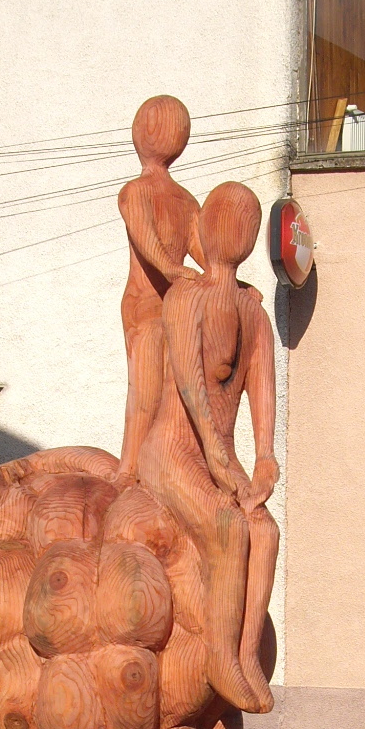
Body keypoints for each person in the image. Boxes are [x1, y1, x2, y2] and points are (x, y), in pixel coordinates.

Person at [140, 180, 278, 714]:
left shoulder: (253, 311)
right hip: (173, 452)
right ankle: (220, 656)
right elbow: (192, 387)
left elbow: (262, 385)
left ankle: (245, 656)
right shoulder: (186, 298)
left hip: (218, 457)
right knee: (228, 526)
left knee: (264, 530)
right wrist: (222, 463)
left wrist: (264, 457)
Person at [116, 95, 201, 481]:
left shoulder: (186, 201)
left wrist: (232, 282)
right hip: (145, 307)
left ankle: (163, 468)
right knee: (145, 391)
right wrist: (171, 268)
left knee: (177, 394)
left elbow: (207, 255)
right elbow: (145, 237)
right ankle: (129, 469)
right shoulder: (135, 193)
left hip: (174, 309)